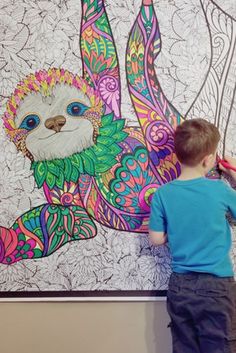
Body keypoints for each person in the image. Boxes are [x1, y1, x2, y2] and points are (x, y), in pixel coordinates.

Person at [149, 118, 236, 353]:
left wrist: (171, 234)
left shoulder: (162, 194)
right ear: (209, 160)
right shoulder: (220, 189)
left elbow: (156, 239)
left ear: (177, 156)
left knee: (185, 346)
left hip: (180, 285)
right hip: (216, 285)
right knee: (220, 346)